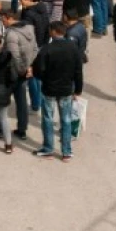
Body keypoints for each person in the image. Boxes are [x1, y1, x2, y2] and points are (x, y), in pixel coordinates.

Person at [33, 20, 84, 161]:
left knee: (48, 119)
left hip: (49, 89)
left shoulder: (46, 49)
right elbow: (78, 71)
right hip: (67, 89)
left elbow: (38, 71)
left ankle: (48, 149)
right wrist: (78, 89)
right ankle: (66, 151)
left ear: (54, 32)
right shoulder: (73, 48)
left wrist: (45, 79)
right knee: (66, 120)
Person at [1, 8, 38, 140]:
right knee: (22, 102)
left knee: (2, 101)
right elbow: (35, 49)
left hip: (12, 73)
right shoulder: (30, 29)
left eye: (3, 20)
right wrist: (29, 67)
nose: (3, 23)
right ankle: (22, 129)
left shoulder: (11, 34)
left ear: (8, 17)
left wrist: (22, 70)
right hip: (25, 71)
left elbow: (13, 56)